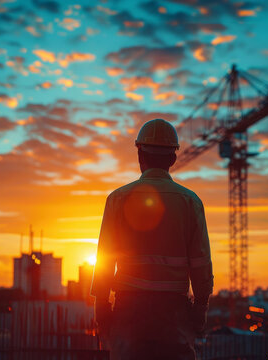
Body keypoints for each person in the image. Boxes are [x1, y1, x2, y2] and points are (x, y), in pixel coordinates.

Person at [91, 119, 214, 359]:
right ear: (173, 159)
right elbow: (201, 263)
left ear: (140, 155)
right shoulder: (190, 202)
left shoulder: (117, 199)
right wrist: (200, 309)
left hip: (129, 314)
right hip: (174, 315)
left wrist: (102, 310)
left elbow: (104, 260)